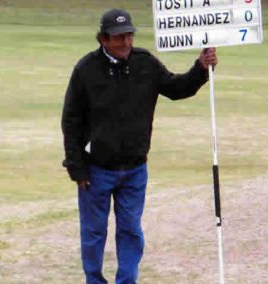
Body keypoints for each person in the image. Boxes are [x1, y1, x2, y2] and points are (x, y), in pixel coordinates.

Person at [61, 8, 218, 284]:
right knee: (94, 232)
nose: (125, 43)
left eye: (129, 36)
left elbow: (177, 88)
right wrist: (76, 167)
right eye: (118, 38)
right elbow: (71, 120)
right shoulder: (86, 70)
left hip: (135, 169)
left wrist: (201, 68)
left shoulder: (145, 63)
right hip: (95, 170)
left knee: (131, 230)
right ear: (103, 39)